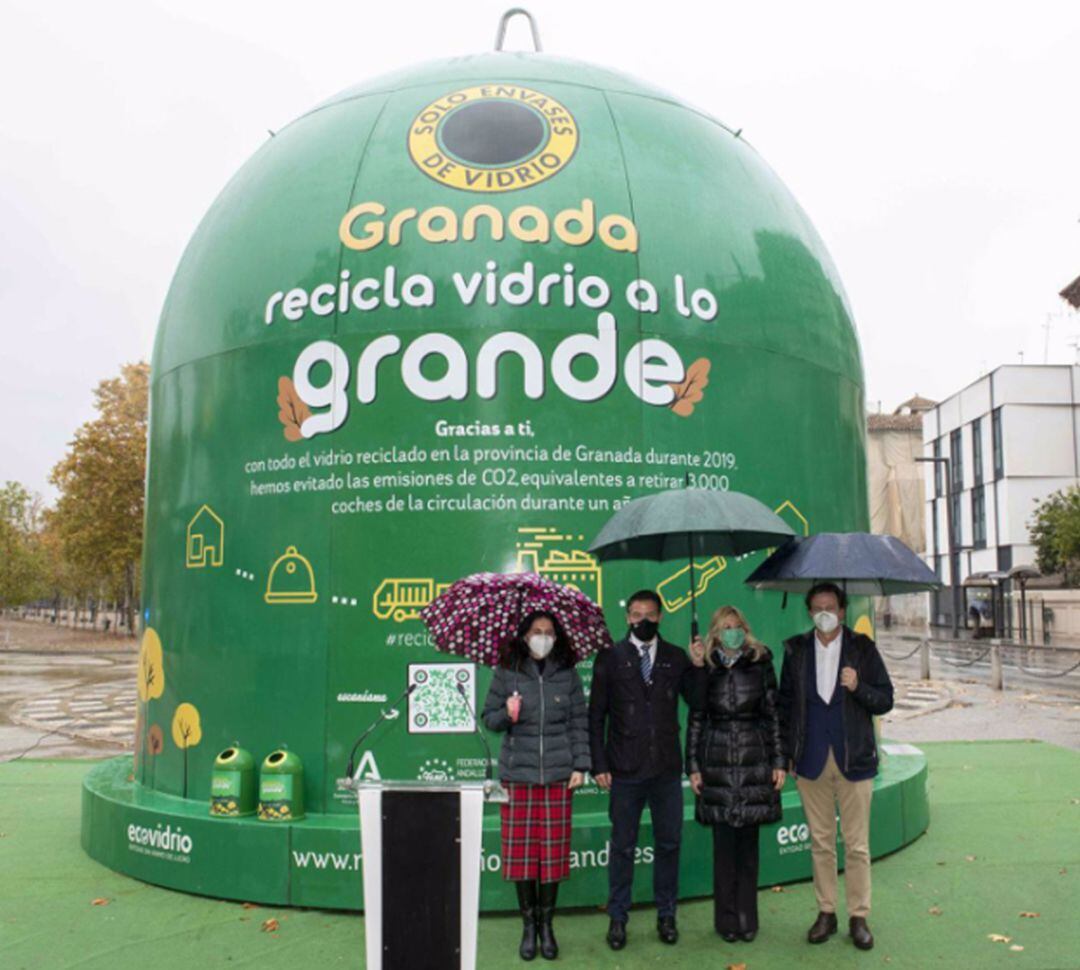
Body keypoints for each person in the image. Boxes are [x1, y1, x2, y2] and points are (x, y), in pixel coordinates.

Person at [777, 582, 894, 951]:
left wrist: (859, 687)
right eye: (817, 607)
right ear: (809, 612)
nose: (824, 612)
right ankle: (826, 912)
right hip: (810, 761)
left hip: (854, 759)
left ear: (842, 611)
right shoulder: (795, 650)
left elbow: (885, 700)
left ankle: (859, 916)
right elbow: (784, 707)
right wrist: (787, 753)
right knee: (821, 842)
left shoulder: (862, 648)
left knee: (857, 845)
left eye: (830, 606)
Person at [588, 589, 701, 950]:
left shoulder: (676, 657)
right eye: (637, 614)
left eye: (650, 614)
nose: (644, 621)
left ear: (661, 616)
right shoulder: (610, 657)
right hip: (624, 770)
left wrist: (699, 667)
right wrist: (599, 763)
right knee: (622, 846)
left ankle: (666, 914)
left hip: (667, 770)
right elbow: (596, 717)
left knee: (669, 844)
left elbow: (698, 701)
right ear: (627, 618)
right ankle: (618, 918)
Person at [481, 610, 590, 961]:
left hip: (559, 776)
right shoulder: (506, 670)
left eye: (548, 632)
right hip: (518, 777)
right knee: (522, 856)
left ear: (556, 638)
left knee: (553, 856)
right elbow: (489, 719)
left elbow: (578, 722)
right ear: (524, 636)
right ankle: (528, 926)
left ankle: (548, 925)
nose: (542, 637)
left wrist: (581, 765)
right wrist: (507, 714)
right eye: (536, 631)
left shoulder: (567, 674)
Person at [686, 605, 784, 943]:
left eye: (737, 625)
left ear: (745, 628)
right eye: (725, 626)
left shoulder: (761, 661)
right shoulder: (706, 666)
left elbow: (773, 714)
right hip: (715, 762)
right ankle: (726, 921)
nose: (732, 631)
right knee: (724, 849)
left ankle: (747, 918)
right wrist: (694, 767)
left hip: (754, 759)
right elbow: (696, 717)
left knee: (748, 850)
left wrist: (778, 761)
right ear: (715, 631)